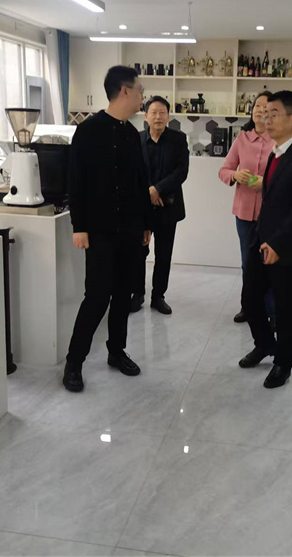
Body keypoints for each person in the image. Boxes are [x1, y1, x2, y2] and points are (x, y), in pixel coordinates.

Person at [63, 66, 152, 393]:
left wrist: (146, 224)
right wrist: (79, 226)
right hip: (99, 231)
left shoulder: (132, 134)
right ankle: (74, 362)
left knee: (123, 294)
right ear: (125, 91)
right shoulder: (88, 131)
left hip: (130, 229)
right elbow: (76, 181)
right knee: (97, 296)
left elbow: (141, 182)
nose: (142, 97)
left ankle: (117, 351)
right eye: (140, 91)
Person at [238, 90, 292, 389]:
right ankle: (264, 345)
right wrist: (261, 237)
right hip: (262, 240)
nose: (266, 119)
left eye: (274, 114)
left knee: (287, 309)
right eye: (264, 113)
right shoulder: (275, 152)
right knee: (250, 298)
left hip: (290, 249)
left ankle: (283, 362)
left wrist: (277, 244)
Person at [218, 91, 275, 324]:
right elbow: (224, 170)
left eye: (266, 107)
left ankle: (271, 311)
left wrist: (266, 183)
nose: (260, 110)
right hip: (244, 213)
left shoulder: (278, 140)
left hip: (271, 214)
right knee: (248, 264)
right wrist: (235, 175)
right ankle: (249, 307)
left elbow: (287, 176)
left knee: (269, 263)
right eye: (257, 106)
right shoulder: (242, 139)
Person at [130, 96, 189, 315]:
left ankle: (158, 296)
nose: (158, 117)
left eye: (162, 112)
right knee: (138, 252)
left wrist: (158, 189)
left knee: (164, 254)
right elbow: (131, 172)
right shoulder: (136, 139)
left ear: (168, 116)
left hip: (168, 206)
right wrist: (148, 191)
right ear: (145, 116)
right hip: (141, 207)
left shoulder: (178, 139)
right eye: (153, 112)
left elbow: (181, 171)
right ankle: (137, 294)